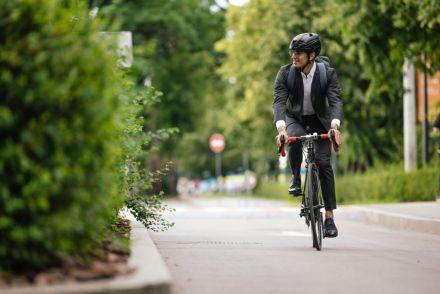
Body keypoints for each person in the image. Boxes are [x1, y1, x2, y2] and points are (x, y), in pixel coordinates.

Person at [272, 33, 343, 238]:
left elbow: (336, 101)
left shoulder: (327, 74)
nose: (294, 56)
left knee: (324, 163)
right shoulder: (285, 73)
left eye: (299, 53)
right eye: (293, 52)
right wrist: (282, 129)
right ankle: (295, 177)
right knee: (294, 139)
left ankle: (329, 217)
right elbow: (278, 101)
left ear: (312, 55)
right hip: (294, 118)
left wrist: (334, 126)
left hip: (320, 120)